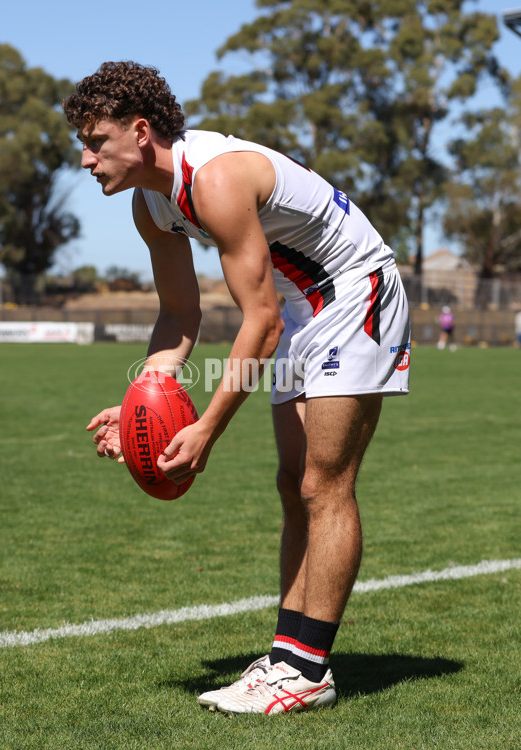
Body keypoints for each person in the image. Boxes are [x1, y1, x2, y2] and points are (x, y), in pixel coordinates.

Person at [63, 61, 411, 715]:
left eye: (94, 141)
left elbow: (261, 324)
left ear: (140, 133)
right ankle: (290, 658)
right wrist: (141, 400)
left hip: (353, 291)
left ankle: (305, 671)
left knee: (323, 484)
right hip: (300, 302)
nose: (85, 160)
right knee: (292, 484)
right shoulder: (152, 205)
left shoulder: (216, 179)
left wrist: (207, 429)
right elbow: (178, 317)